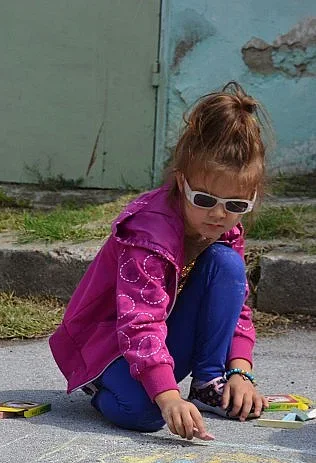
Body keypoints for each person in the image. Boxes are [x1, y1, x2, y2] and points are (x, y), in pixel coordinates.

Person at [49, 82, 271, 441]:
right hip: (108, 344)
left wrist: (240, 372)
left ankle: (207, 381)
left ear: (250, 199)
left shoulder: (224, 226)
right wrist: (168, 398)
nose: (218, 214)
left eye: (235, 205)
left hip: (161, 332)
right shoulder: (148, 234)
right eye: (204, 199)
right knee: (146, 413)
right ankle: (102, 386)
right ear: (181, 183)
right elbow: (139, 321)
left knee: (227, 265)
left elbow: (238, 306)